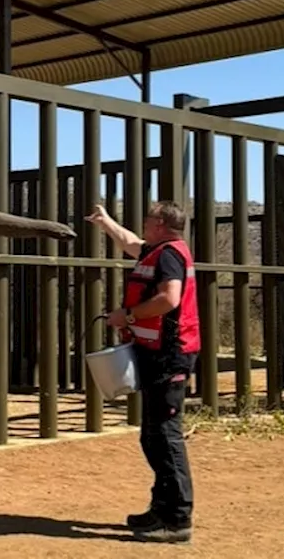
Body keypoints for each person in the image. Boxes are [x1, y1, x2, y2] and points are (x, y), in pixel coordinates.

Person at [87, 200, 201, 544]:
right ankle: (162, 507)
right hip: (156, 355)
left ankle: (177, 519)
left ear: (162, 223)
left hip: (170, 356)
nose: (145, 223)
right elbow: (131, 243)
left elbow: (169, 299)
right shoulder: (157, 250)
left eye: (150, 218)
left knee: (165, 436)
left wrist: (128, 315)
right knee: (152, 437)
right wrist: (107, 223)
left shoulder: (168, 255)